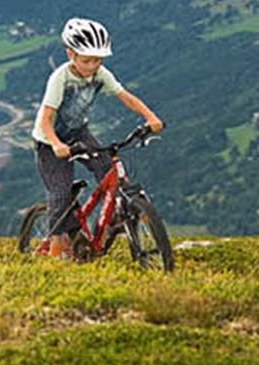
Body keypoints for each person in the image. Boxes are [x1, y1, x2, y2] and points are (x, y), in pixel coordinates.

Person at [32, 17, 163, 258]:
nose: (93, 66)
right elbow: (45, 119)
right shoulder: (60, 78)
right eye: (87, 60)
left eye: (98, 60)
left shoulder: (101, 73)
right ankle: (55, 242)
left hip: (78, 132)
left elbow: (125, 96)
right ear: (70, 54)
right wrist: (57, 144)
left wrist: (150, 117)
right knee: (60, 192)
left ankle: (116, 215)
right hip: (50, 139)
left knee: (108, 171)